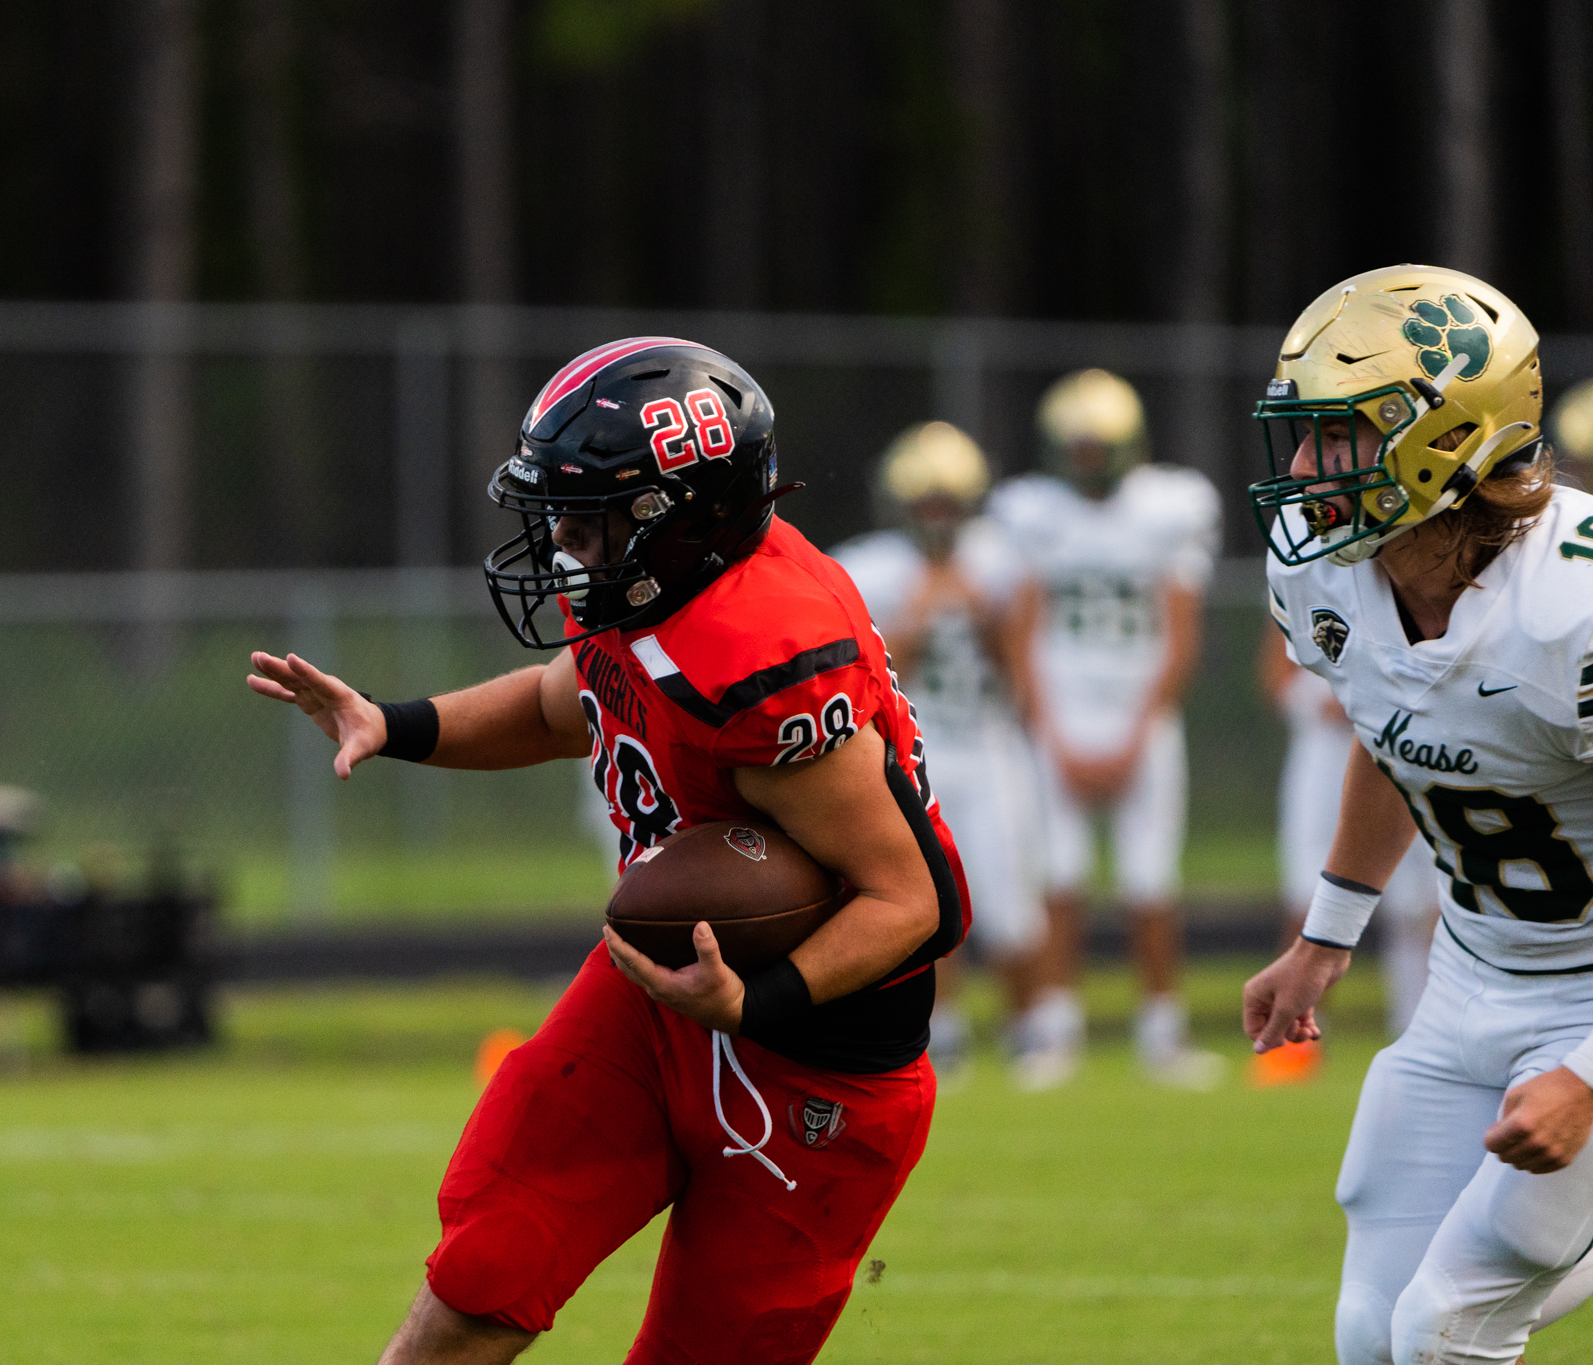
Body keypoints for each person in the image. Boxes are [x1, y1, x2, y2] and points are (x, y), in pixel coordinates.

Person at [248, 338, 967, 1364]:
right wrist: (393, 723)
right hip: (653, 998)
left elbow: (913, 901)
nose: (561, 547)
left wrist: (749, 1006)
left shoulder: (760, 653)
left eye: (581, 521)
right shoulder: (657, 594)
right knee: (488, 1265)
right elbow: (558, 706)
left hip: (819, 1066)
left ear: (675, 521)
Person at [1242, 264, 1593, 1363]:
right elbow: (1394, 731)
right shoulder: (1329, 576)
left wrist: (1586, 1073)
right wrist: (1323, 940)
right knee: (1369, 1335)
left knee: (1443, 1328)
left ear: (1444, 440)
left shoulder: (1569, 612)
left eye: (1336, 436)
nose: (1300, 467)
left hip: (1583, 1004)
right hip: (1469, 985)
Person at [987, 369, 1223, 1088]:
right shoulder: (1030, 511)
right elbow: (1021, 635)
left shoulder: (1169, 506)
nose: (1088, 463)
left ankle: (1163, 1031)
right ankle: (1053, 1031)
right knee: (1057, 875)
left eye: (1100, 448)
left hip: (1141, 713)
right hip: (1059, 714)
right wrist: (1051, 729)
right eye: (1077, 449)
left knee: (1151, 879)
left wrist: (1135, 731)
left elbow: (1180, 635)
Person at [833, 421, 1054, 1085]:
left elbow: (1021, 667)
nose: (936, 520)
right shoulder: (870, 567)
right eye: (924, 505)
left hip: (989, 744)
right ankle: (945, 1029)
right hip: (912, 751)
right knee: (928, 894)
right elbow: (864, 671)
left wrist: (988, 617)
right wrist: (921, 618)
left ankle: (1032, 1028)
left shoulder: (1000, 559)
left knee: (1011, 897)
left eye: (946, 505)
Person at [1254, 626, 1437, 1091]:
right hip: (1325, 752)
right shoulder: (1307, 571)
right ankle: (1295, 1042)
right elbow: (1277, 675)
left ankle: (1420, 1034)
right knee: (1308, 897)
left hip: (1406, 748)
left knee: (1419, 907)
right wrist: (1325, 703)